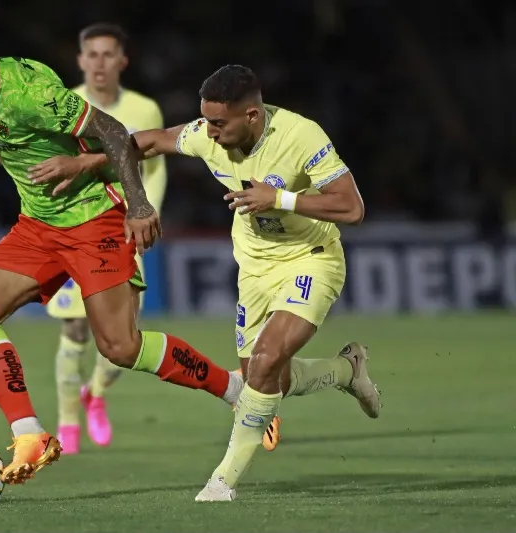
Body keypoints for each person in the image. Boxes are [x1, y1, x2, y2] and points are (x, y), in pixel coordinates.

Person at [28, 64, 381, 500]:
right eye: (206, 120)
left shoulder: (300, 136)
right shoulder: (204, 133)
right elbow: (151, 141)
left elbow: (352, 208)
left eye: (218, 122)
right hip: (254, 267)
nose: (209, 132)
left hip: (310, 259)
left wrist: (280, 198)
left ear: (251, 115)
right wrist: (89, 161)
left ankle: (222, 481)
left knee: (268, 359)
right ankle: (348, 371)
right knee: (265, 377)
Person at [0, 40, 245, 486]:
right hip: (38, 226)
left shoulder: (31, 95)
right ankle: (29, 434)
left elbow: (114, 132)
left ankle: (234, 390)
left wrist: (137, 204)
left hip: (94, 221)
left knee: (120, 348)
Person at [46, 23, 168, 454]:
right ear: (80, 61)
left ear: (122, 61)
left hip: (125, 230)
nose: (99, 63)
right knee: (76, 328)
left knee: (123, 336)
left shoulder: (145, 109)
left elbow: (153, 167)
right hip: (78, 229)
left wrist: (144, 212)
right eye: (91, 55)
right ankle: (66, 423)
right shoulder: (65, 104)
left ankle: (95, 394)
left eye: (107, 55)